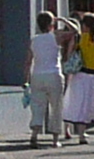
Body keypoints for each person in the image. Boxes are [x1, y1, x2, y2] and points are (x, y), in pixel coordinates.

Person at [61, 14, 94, 142]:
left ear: (84, 26)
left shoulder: (78, 39)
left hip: (81, 75)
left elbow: (69, 55)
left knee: (81, 103)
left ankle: (81, 135)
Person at [26, 12, 66, 142]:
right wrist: (62, 19)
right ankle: (55, 139)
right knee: (56, 106)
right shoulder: (55, 36)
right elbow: (75, 31)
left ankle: (34, 135)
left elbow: (28, 61)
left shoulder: (34, 40)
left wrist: (26, 80)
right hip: (54, 74)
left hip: (37, 75)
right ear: (51, 24)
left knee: (37, 106)